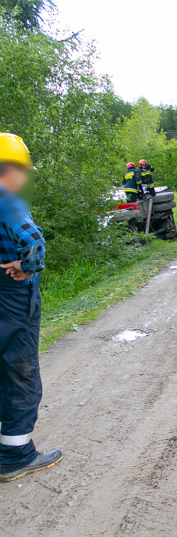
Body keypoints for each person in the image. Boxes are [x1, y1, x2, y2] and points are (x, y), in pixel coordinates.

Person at [0, 133, 62, 482]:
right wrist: (25, 267)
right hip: (13, 296)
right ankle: (15, 456)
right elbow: (34, 242)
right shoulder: (8, 201)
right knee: (19, 372)